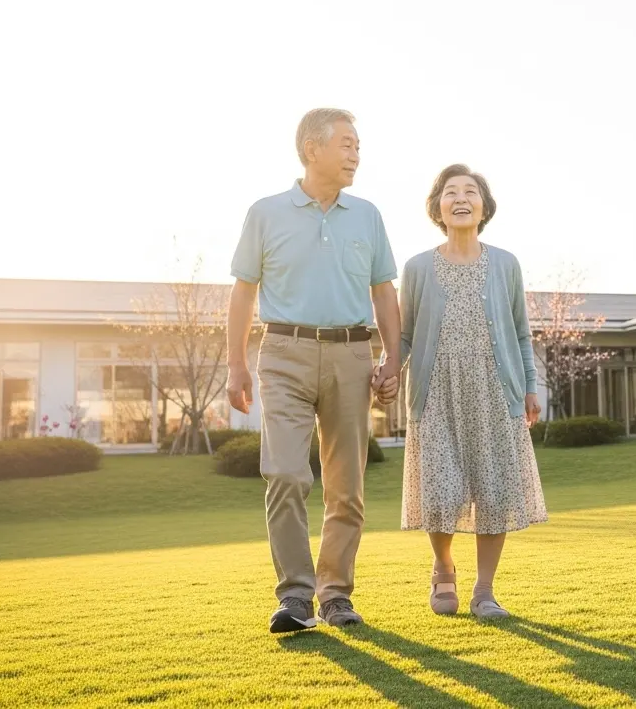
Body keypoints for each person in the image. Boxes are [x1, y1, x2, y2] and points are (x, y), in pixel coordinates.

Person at [226, 108, 401, 634]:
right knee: (284, 471)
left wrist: (394, 357)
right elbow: (243, 291)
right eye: (346, 144)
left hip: (352, 353)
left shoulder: (367, 215)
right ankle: (296, 596)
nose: (356, 153)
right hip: (283, 351)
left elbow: (384, 291)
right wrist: (235, 364)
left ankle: (336, 595)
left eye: (358, 145)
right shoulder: (266, 212)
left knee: (346, 486)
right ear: (311, 149)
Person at [396, 163, 548, 620]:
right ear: (437, 207)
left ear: (484, 206)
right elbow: (404, 334)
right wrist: (386, 369)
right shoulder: (418, 267)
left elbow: (521, 332)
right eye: (450, 192)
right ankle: (443, 568)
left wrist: (528, 386)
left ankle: (485, 591)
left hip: (494, 389)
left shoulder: (505, 264)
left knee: (495, 492)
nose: (460, 198)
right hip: (435, 391)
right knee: (440, 494)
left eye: (470, 191)